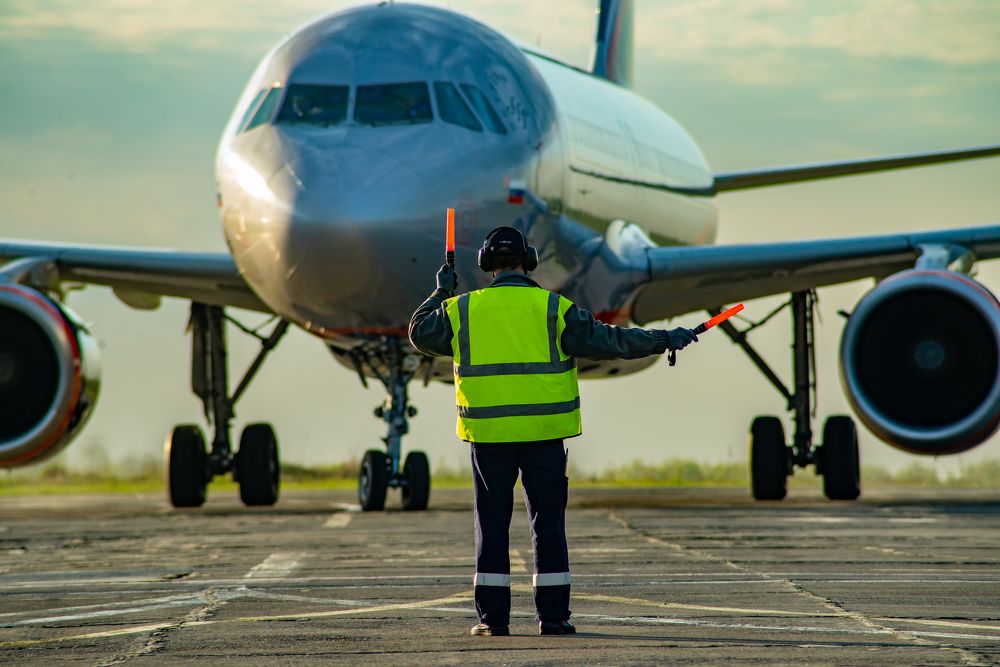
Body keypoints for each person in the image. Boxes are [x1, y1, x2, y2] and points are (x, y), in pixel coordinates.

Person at [408, 227, 697, 637]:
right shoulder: (554, 309)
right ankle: (555, 618)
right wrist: (663, 338)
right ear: (530, 261)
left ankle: (493, 621)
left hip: (489, 437)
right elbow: (611, 340)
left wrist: (440, 292)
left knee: (492, 527)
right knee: (548, 524)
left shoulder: (462, 310)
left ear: (486, 266)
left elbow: (419, 334)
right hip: (545, 435)